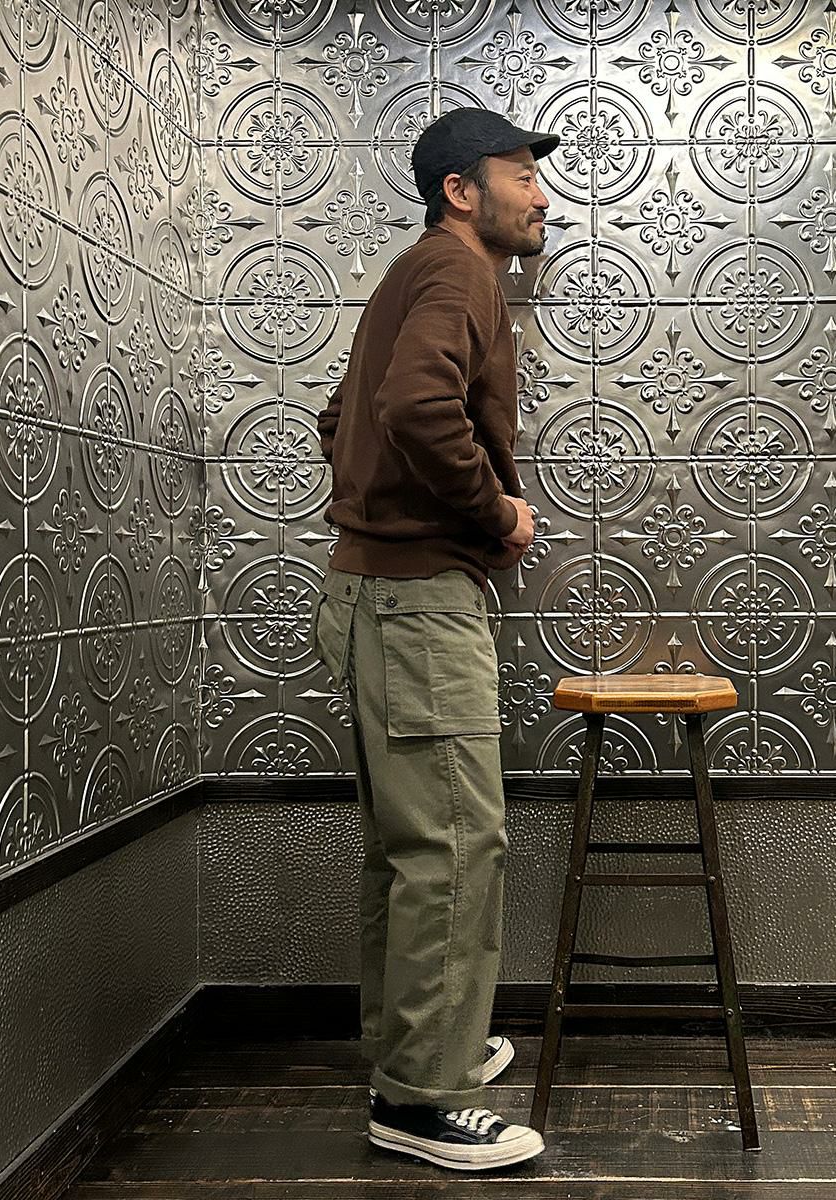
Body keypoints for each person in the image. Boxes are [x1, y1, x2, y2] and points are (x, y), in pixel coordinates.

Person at [311, 107, 558, 1171]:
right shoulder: (460, 272)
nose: (541, 195)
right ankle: (421, 1098)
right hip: (416, 606)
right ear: (462, 191)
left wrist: (383, 511)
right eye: (521, 175)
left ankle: (414, 1049)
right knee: (456, 844)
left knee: (410, 849)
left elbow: (340, 422)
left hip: (371, 598)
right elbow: (416, 410)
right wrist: (494, 512)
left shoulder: (410, 275)